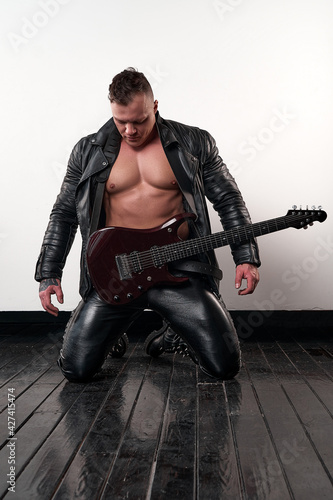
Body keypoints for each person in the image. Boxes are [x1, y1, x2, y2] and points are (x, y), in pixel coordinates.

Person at [35, 67, 260, 382]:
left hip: (179, 270)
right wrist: (48, 273)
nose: (129, 130)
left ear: (154, 107)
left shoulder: (194, 143)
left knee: (224, 368)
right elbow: (64, 212)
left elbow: (228, 200)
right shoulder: (88, 150)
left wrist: (245, 256)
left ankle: (173, 334)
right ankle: (113, 331)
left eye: (138, 121)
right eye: (120, 121)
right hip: (116, 275)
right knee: (77, 370)